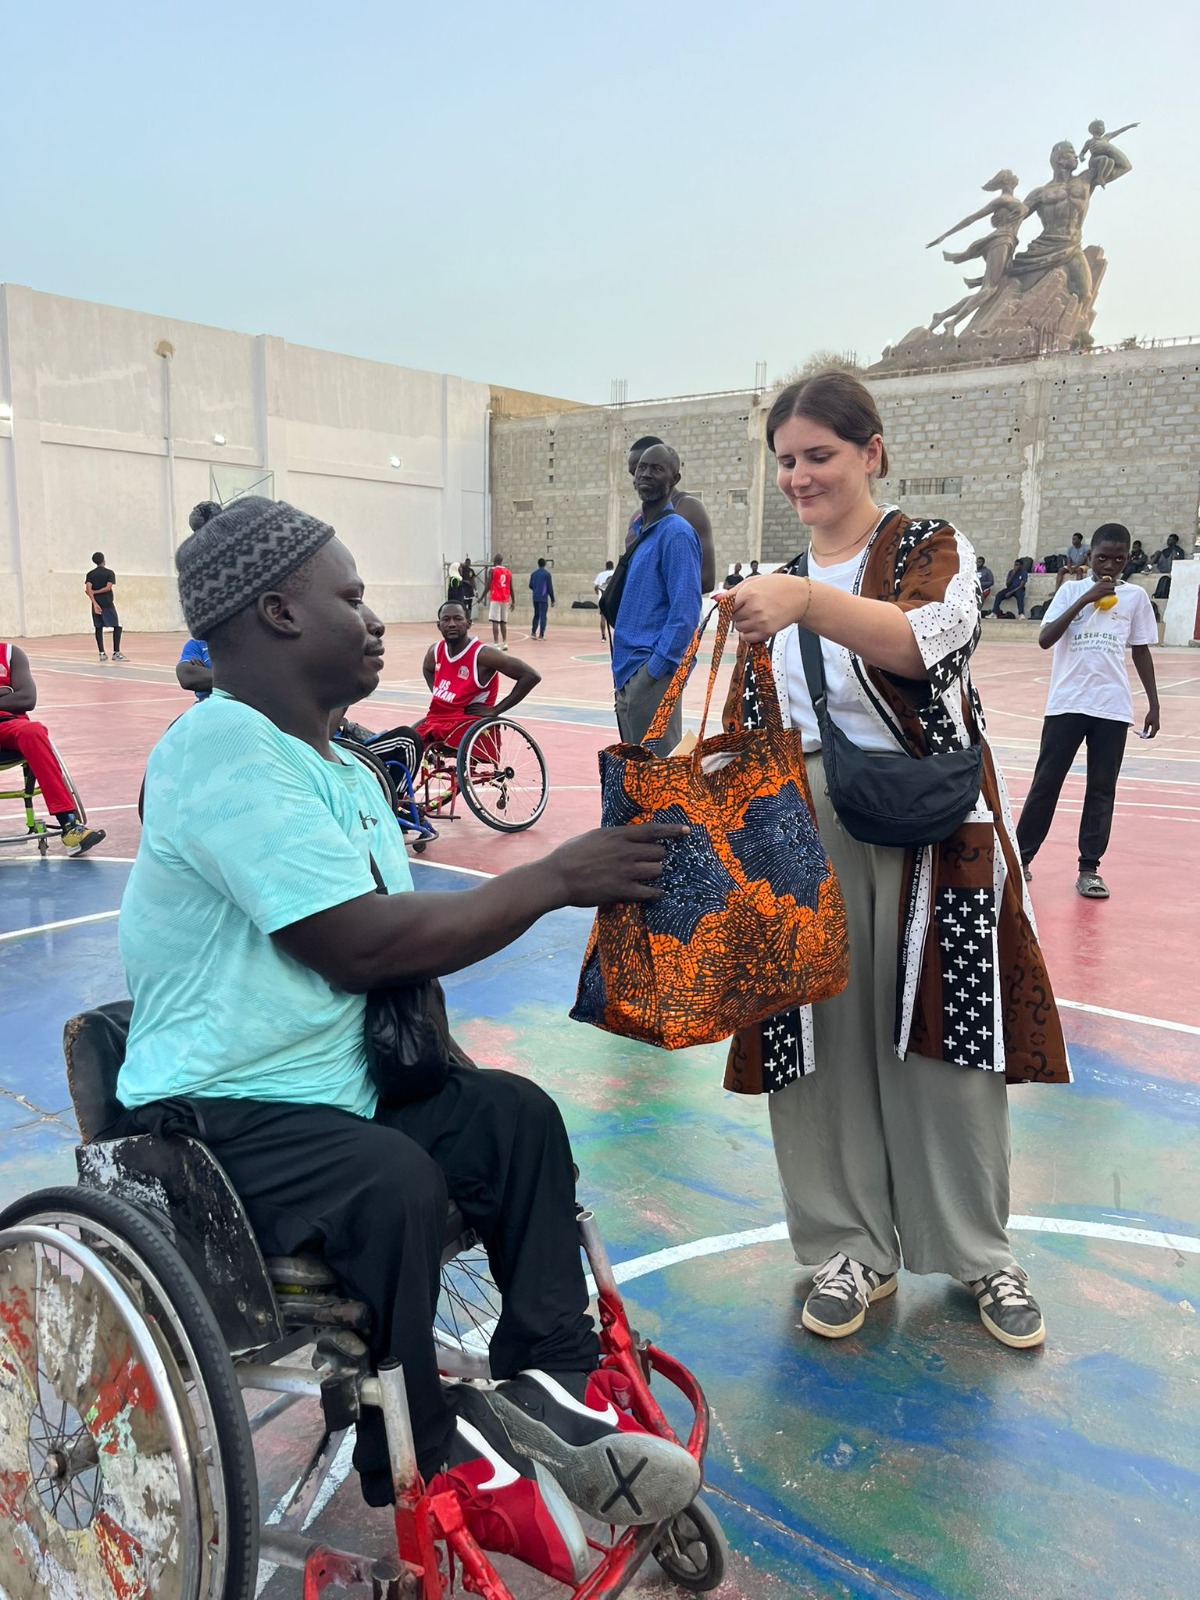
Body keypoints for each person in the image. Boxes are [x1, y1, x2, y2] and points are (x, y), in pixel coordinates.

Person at [112, 496, 700, 1582]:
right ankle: (430, 1448)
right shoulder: (219, 753)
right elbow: (360, 946)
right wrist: (555, 877)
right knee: (390, 1182)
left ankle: (550, 1381)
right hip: (214, 1115)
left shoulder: (337, 768)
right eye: (352, 597)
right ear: (281, 611)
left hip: (333, 1088)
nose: (375, 620)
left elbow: (400, 971)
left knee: (514, 1119)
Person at [725, 371, 1068, 1352]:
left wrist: (800, 602)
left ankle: (980, 1252)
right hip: (801, 820)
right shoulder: (771, 578)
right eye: (786, 459)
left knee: (948, 1035)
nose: (800, 476)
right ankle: (850, 1247)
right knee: (818, 1041)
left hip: (932, 821)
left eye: (819, 455)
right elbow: (760, 720)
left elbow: (929, 643)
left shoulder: (931, 549)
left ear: (871, 450)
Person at [1017, 523, 1160, 899]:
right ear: (1089, 557)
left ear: (1128, 559)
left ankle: (1089, 869)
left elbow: (1141, 649)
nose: (1110, 565)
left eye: (1118, 558)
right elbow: (1045, 639)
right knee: (1046, 783)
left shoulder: (1136, 598)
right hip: (1067, 704)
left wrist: (1153, 704)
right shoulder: (1070, 590)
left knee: (1101, 789)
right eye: (1102, 558)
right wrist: (1086, 598)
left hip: (1112, 708)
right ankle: (1021, 858)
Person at [611, 444, 702, 750]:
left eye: (657, 469)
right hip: (627, 671)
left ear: (674, 478)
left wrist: (655, 669)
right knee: (637, 777)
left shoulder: (676, 533)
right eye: (642, 468)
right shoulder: (642, 530)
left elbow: (686, 611)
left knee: (659, 777)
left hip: (649, 671)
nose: (646, 474)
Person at [0, 643, 106, 855]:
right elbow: (17, 697)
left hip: (8, 725)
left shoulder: (10, 653)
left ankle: (69, 825)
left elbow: (27, 698)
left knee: (34, 731)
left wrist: (11, 699)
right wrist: (5, 695)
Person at [416, 600, 539, 751]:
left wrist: (496, 710)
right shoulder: (434, 651)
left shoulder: (483, 655)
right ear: (438, 625)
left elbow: (531, 676)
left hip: (465, 722)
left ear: (469, 623)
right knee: (403, 740)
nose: (452, 624)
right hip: (437, 718)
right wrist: (438, 692)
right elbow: (427, 669)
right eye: (446, 619)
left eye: (458, 618)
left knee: (411, 742)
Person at [625, 436, 715, 592]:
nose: (640, 477)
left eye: (653, 468)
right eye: (636, 470)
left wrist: (650, 598)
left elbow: (705, 580)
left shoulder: (687, 508)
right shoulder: (637, 519)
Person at [85, 551, 126, 660]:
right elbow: (108, 588)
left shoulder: (90, 574)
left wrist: (94, 602)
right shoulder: (109, 573)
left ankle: (102, 653)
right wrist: (96, 592)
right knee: (117, 626)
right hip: (107, 604)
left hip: (96, 604)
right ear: (103, 560)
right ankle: (116, 652)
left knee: (98, 627)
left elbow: (88, 590)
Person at [484, 554, 514, 650]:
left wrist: (481, 597)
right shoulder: (508, 572)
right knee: (503, 622)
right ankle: (505, 642)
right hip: (505, 598)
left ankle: (496, 643)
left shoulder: (492, 570)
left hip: (496, 598)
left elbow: (488, 585)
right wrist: (513, 601)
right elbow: (511, 588)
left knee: (495, 621)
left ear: (494, 561)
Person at [1149, 533, 1187, 599]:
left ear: (1175, 541)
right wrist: (1154, 557)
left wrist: (1175, 555)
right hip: (1163, 567)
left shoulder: (1180, 550)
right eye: (1168, 540)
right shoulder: (1165, 550)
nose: (1168, 541)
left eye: (1170, 540)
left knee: (1174, 552)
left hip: (1173, 568)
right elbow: (1157, 560)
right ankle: (1148, 567)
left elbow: (1181, 561)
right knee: (1158, 552)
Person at [529, 558, 556, 640]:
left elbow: (530, 585)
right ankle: (541, 635)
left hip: (535, 597)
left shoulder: (533, 574)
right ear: (544, 564)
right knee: (543, 616)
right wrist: (552, 599)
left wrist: (536, 589)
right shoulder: (547, 575)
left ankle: (533, 632)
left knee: (536, 614)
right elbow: (549, 587)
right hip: (543, 598)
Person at [594, 560, 615, 641]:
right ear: (613, 566)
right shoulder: (615, 573)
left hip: (603, 598)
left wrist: (598, 593)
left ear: (606, 566)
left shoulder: (600, 575)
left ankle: (603, 636)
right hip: (613, 598)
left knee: (603, 617)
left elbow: (596, 587)